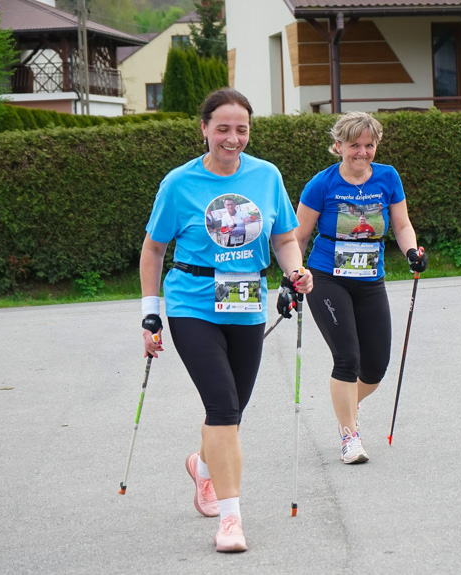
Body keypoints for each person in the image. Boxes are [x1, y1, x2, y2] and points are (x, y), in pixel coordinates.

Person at [138, 88, 313, 553]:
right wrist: (150, 313)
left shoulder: (266, 175)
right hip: (192, 302)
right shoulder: (179, 183)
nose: (233, 138)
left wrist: (295, 271)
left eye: (242, 129)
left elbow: (284, 239)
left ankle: (202, 464)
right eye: (223, 128)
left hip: (246, 301)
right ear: (204, 129)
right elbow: (154, 250)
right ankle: (231, 521)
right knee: (221, 406)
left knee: (233, 410)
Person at [294, 111, 427, 464]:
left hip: (370, 280)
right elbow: (299, 235)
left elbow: (401, 225)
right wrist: (292, 274)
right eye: (355, 145)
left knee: (375, 367)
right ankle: (349, 433)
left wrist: (412, 251)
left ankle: (345, 411)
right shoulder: (321, 184)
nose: (362, 152)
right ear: (338, 146)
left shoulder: (388, 177)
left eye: (369, 145)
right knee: (347, 358)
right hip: (327, 278)